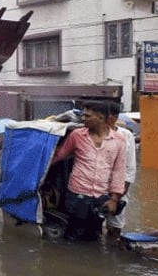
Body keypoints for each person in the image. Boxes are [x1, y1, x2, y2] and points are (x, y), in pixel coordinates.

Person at [51, 101, 126, 241]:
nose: (83, 119)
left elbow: (119, 170)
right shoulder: (76, 135)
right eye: (83, 115)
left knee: (94, 235)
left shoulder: (119, 140)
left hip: (101, 196)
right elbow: (59, 156)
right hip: (77, 193)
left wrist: (114, 199)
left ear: (101, 118)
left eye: (87, 116)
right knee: (72, 234)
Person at [105, 101, 137, 239]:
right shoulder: (90, 134)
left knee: (115, 226)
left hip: (118, 187)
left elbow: (130, 167)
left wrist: (119, 194)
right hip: (96, 187)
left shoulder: (126, 135)